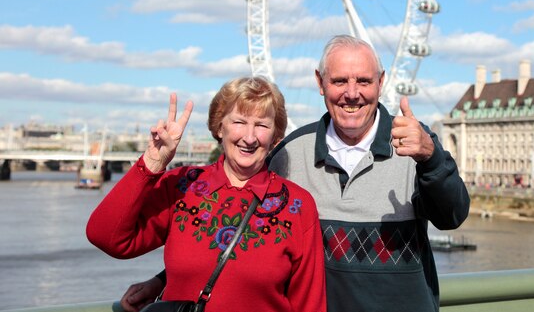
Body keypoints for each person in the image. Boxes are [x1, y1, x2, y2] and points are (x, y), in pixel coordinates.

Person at [119, 35, 470, 312]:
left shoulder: (415, 144)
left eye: (364, 81)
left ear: (381, 82)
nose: (352, 93)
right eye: (339, 81)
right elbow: (244, 237)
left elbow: (452, 216)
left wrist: (432, 158)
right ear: (320, 83)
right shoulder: (290, 153)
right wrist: (164, 281)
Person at [86, 77, 326, 312]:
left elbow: (310, 304)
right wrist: (152, 163)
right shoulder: (182, 186)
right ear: (219, 127)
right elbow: (106, 236)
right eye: (239, 122)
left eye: (262, 125)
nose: (250, 137)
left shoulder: (297, 205)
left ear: (276, 136)